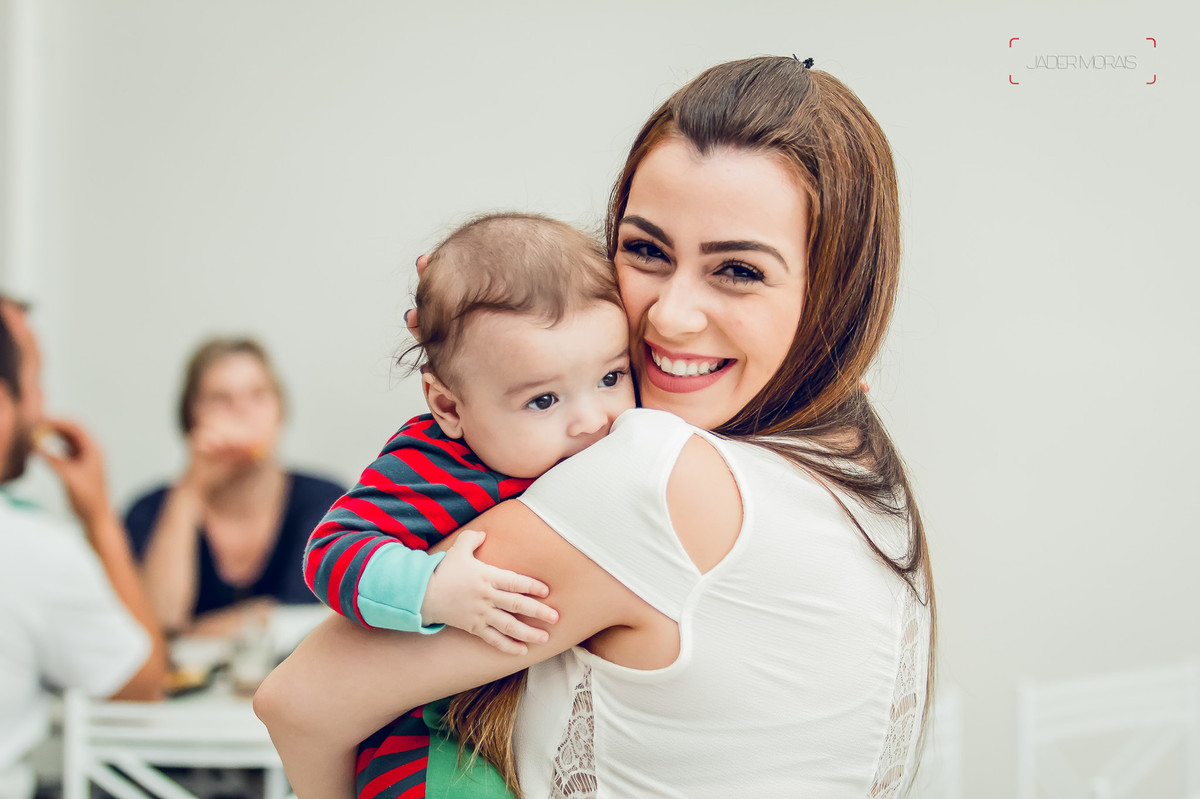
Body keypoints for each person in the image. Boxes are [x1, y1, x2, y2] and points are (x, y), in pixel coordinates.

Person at [256, 55, 935, 798]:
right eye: (645, 250)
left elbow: (298, 704)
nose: (670, 315)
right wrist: (493, 338)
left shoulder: (653, 475)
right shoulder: (869, 475)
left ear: (836, 292)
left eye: (737, 270)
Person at [304, 212, 634, 798]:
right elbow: (331, 552)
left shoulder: (604, 452)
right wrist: (433, 589)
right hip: (425, 748)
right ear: (450, 407)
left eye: (612, 377)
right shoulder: (432, 466)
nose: (591, 421)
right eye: (544, 399)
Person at [0, 294, 168, 799]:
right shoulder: (31, 551)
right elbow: (140, 687)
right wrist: (98, 516)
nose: (41, 407)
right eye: (33, 382)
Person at [125, 337, 345, 636]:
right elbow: (157, 626)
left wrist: (196, 631)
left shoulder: (327, 501)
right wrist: (189, 490)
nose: (242, 411)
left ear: (280, 411)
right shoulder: (147, 512)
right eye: (220, 399)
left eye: (258, 395)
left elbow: (311, 619)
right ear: (191, 418)